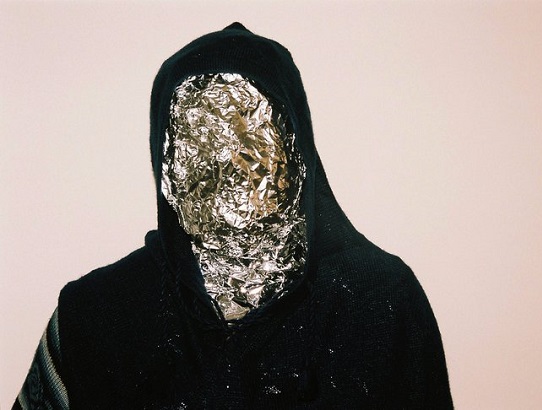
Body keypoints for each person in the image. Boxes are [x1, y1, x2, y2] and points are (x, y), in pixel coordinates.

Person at [15, 22, 452, 409]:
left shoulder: (378, 305)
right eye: (199, 132)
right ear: (164, 164)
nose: (226, 159)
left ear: (295, 150)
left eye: (249, 127)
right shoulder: (96, 315)